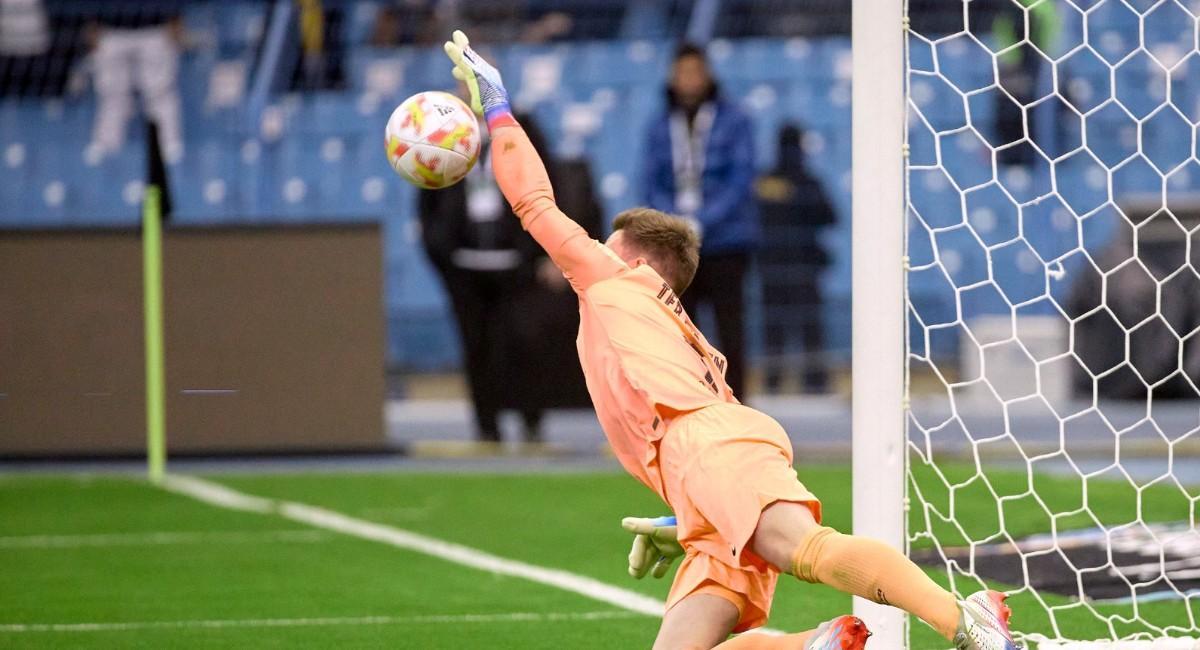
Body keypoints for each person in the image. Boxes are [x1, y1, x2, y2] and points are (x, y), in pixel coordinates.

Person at [444, 29, 1020, 650]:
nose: (592, 253)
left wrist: (497, 111)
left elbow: (531, 200)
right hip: (707, 466)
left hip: (708, 449)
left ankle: (964, 621)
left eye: (610, 244)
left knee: (809, 551)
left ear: (637, 259)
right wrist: (686, 516)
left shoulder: (613, 278)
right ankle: (812, 645)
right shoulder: (678, 329)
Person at [642, 43, 758, 397]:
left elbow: (741, 178)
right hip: (678, 249)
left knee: (729, 332)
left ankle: (736, 408)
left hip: (726, 243)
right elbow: (650, 181)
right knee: (680, 334)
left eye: (695, 72)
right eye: (682, 73)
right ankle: (689, 406)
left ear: (707, 75)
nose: (689, 80)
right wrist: (676, 225)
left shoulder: (736, 120)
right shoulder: (660, 125)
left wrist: (704, 221)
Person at [756, 124, 835, 394]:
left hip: (780, 266)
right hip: (797, 266)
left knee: (781, 328)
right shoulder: (807, 182)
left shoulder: (765, 182)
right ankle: (811, 381)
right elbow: (829, 216)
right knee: (801, 326)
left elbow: (830, 216)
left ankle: (776, 382)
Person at [86, 1, 184, 163]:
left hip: (155, 27)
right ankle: (107, 144)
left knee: (160, 91)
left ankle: (168, 143)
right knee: (111, 93)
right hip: (110, 28)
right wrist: (91, 22)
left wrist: (176, 17)